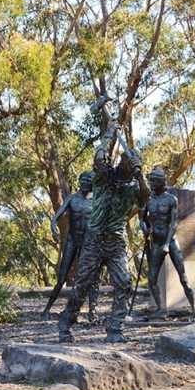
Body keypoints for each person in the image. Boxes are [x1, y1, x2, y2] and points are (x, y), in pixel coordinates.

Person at [58, 118, 150, 344]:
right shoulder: (104, 177)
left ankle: (115, 328)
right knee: (82, 286)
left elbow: (146, 196)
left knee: (124, 284)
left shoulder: (132, 188)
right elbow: (99, 158)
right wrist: (109, 134)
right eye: (128, 164)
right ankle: (65, 324)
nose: (128, 168)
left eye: (133, 166)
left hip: (116, 242)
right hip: (94, 240)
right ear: (122, 164)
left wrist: (140, 175)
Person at [140, 167, 195, 321]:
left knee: (183, 278)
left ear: (162, 181)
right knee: (152, 279)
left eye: (154, 180)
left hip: (171, 243)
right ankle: (161, 310)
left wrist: (167, 244)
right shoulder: (148, 199)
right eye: (151, 180)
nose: (152, 183)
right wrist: (145, 228)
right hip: (156, 242)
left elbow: (174, 224)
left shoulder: (171, 200)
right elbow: (142, 219)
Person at [44, 171, 98, 323]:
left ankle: (91, 313)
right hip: (72, 240)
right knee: (61, 277)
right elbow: (56, 216)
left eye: (89, 180)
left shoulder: (96, 201)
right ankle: (47, 309)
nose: (86, 182)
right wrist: (53, 225)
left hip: (88, 243)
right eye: (84, 179)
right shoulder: (72, 198)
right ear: (79, 180)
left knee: (89, 277)